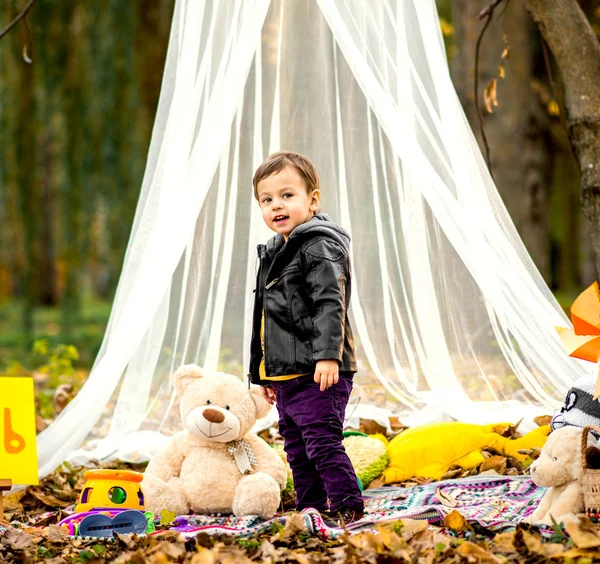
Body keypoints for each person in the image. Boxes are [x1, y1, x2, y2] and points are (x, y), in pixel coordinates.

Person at [247, 150, 364, 525]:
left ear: (313, 200)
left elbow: (331, 303)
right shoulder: (274, 251)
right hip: (287, 373)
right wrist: (261, 374)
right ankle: (311, 505)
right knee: (296, 446)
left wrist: (328, 356)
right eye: (267, 200)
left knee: (321, 441)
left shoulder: (319, 245)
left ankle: (347, 505)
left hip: (320, 370)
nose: (276, 205)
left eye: (287, 195)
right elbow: (265, 319)